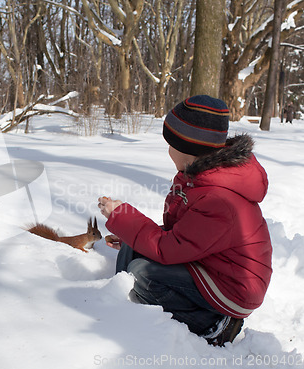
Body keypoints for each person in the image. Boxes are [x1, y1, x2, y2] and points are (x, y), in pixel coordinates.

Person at [98, 95, 273, 346]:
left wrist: (122, 217)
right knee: (132, 248)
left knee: (143, 275)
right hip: (211, 265)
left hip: (233, 287)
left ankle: (214, 324)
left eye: (170, 144)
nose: (167, 150)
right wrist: (130, 235)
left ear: (187, 151)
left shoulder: (218, 199)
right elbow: (184, 236)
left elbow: (169, 249)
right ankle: (116, 304)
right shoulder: (196, 177)